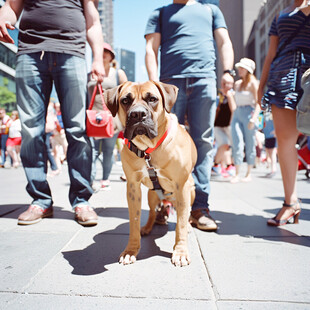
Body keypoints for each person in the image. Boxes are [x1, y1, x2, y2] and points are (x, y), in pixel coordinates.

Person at [0, 0, 105, 226]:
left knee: (77, 129)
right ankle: (40, 200)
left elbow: (93, 20)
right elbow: (11, 6)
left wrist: (97, 58)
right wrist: (3, 17)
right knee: (30, 130)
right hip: (30, 53)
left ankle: (81, 200)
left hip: (73, 53)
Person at [145, 0, 234, 231]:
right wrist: (155, 85)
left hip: (204, 80)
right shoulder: (160, 12)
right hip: (169, 84)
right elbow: (150, 49)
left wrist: (227, 71)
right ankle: (163, 203)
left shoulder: (211, 10)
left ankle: (199, 208)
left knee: (203, 143)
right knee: (163, 144)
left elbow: (224, 41)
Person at [258, 0, 310, 226]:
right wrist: (261, 86)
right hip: (282, 76)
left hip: (308, 73)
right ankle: (290, 203)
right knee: (285, 140)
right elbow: (271, 53)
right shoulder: (280, 15)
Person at [88, 42, 127, 191]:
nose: (103, 53)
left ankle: (105, 179)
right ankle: (91, 179)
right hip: (93, 118)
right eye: (100, 50)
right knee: (92, 151)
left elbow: (127, 94)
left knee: (109, 150)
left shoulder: (118, 73)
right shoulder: (90, 73)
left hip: (112, 118)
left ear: (111, 56)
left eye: (107, 51)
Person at [230, 58, 261, 184]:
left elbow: (258, 103)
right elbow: (234, 103)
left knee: (250, 143)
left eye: (242, 68)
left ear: (248, 70)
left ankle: (248, 173)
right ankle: (237, 173)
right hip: (237, 113)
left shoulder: (253, 83)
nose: (239, 69)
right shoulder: (237, 84)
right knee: (236, 142)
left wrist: (254, 118)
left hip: (249, 114)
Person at [212, 79, 236, 178]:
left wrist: (229, 96)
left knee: (229, 146)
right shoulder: (220, 95)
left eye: (229, 83)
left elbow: (234, 109)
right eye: (224, 83)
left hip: (229, 124)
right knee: (224, 144)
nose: (227, 85)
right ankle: (223, 165)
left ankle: (219, 165)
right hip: (218, 124)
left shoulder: (233, 94)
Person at [45, 102, 60, 177]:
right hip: (48, 129)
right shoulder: (51, 108)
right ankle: (54, 168)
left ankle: (54, 168)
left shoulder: (49, 108)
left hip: (46, 129)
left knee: (47, 149)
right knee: (46, 149)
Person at [262, 112, 277, 178]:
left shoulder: (272, 113)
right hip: (267, 135)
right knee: (269, 153)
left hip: (272, 135)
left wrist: (276, 130)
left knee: (272, 153)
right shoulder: (265, 114)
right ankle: (272, 169)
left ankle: (274, 169)